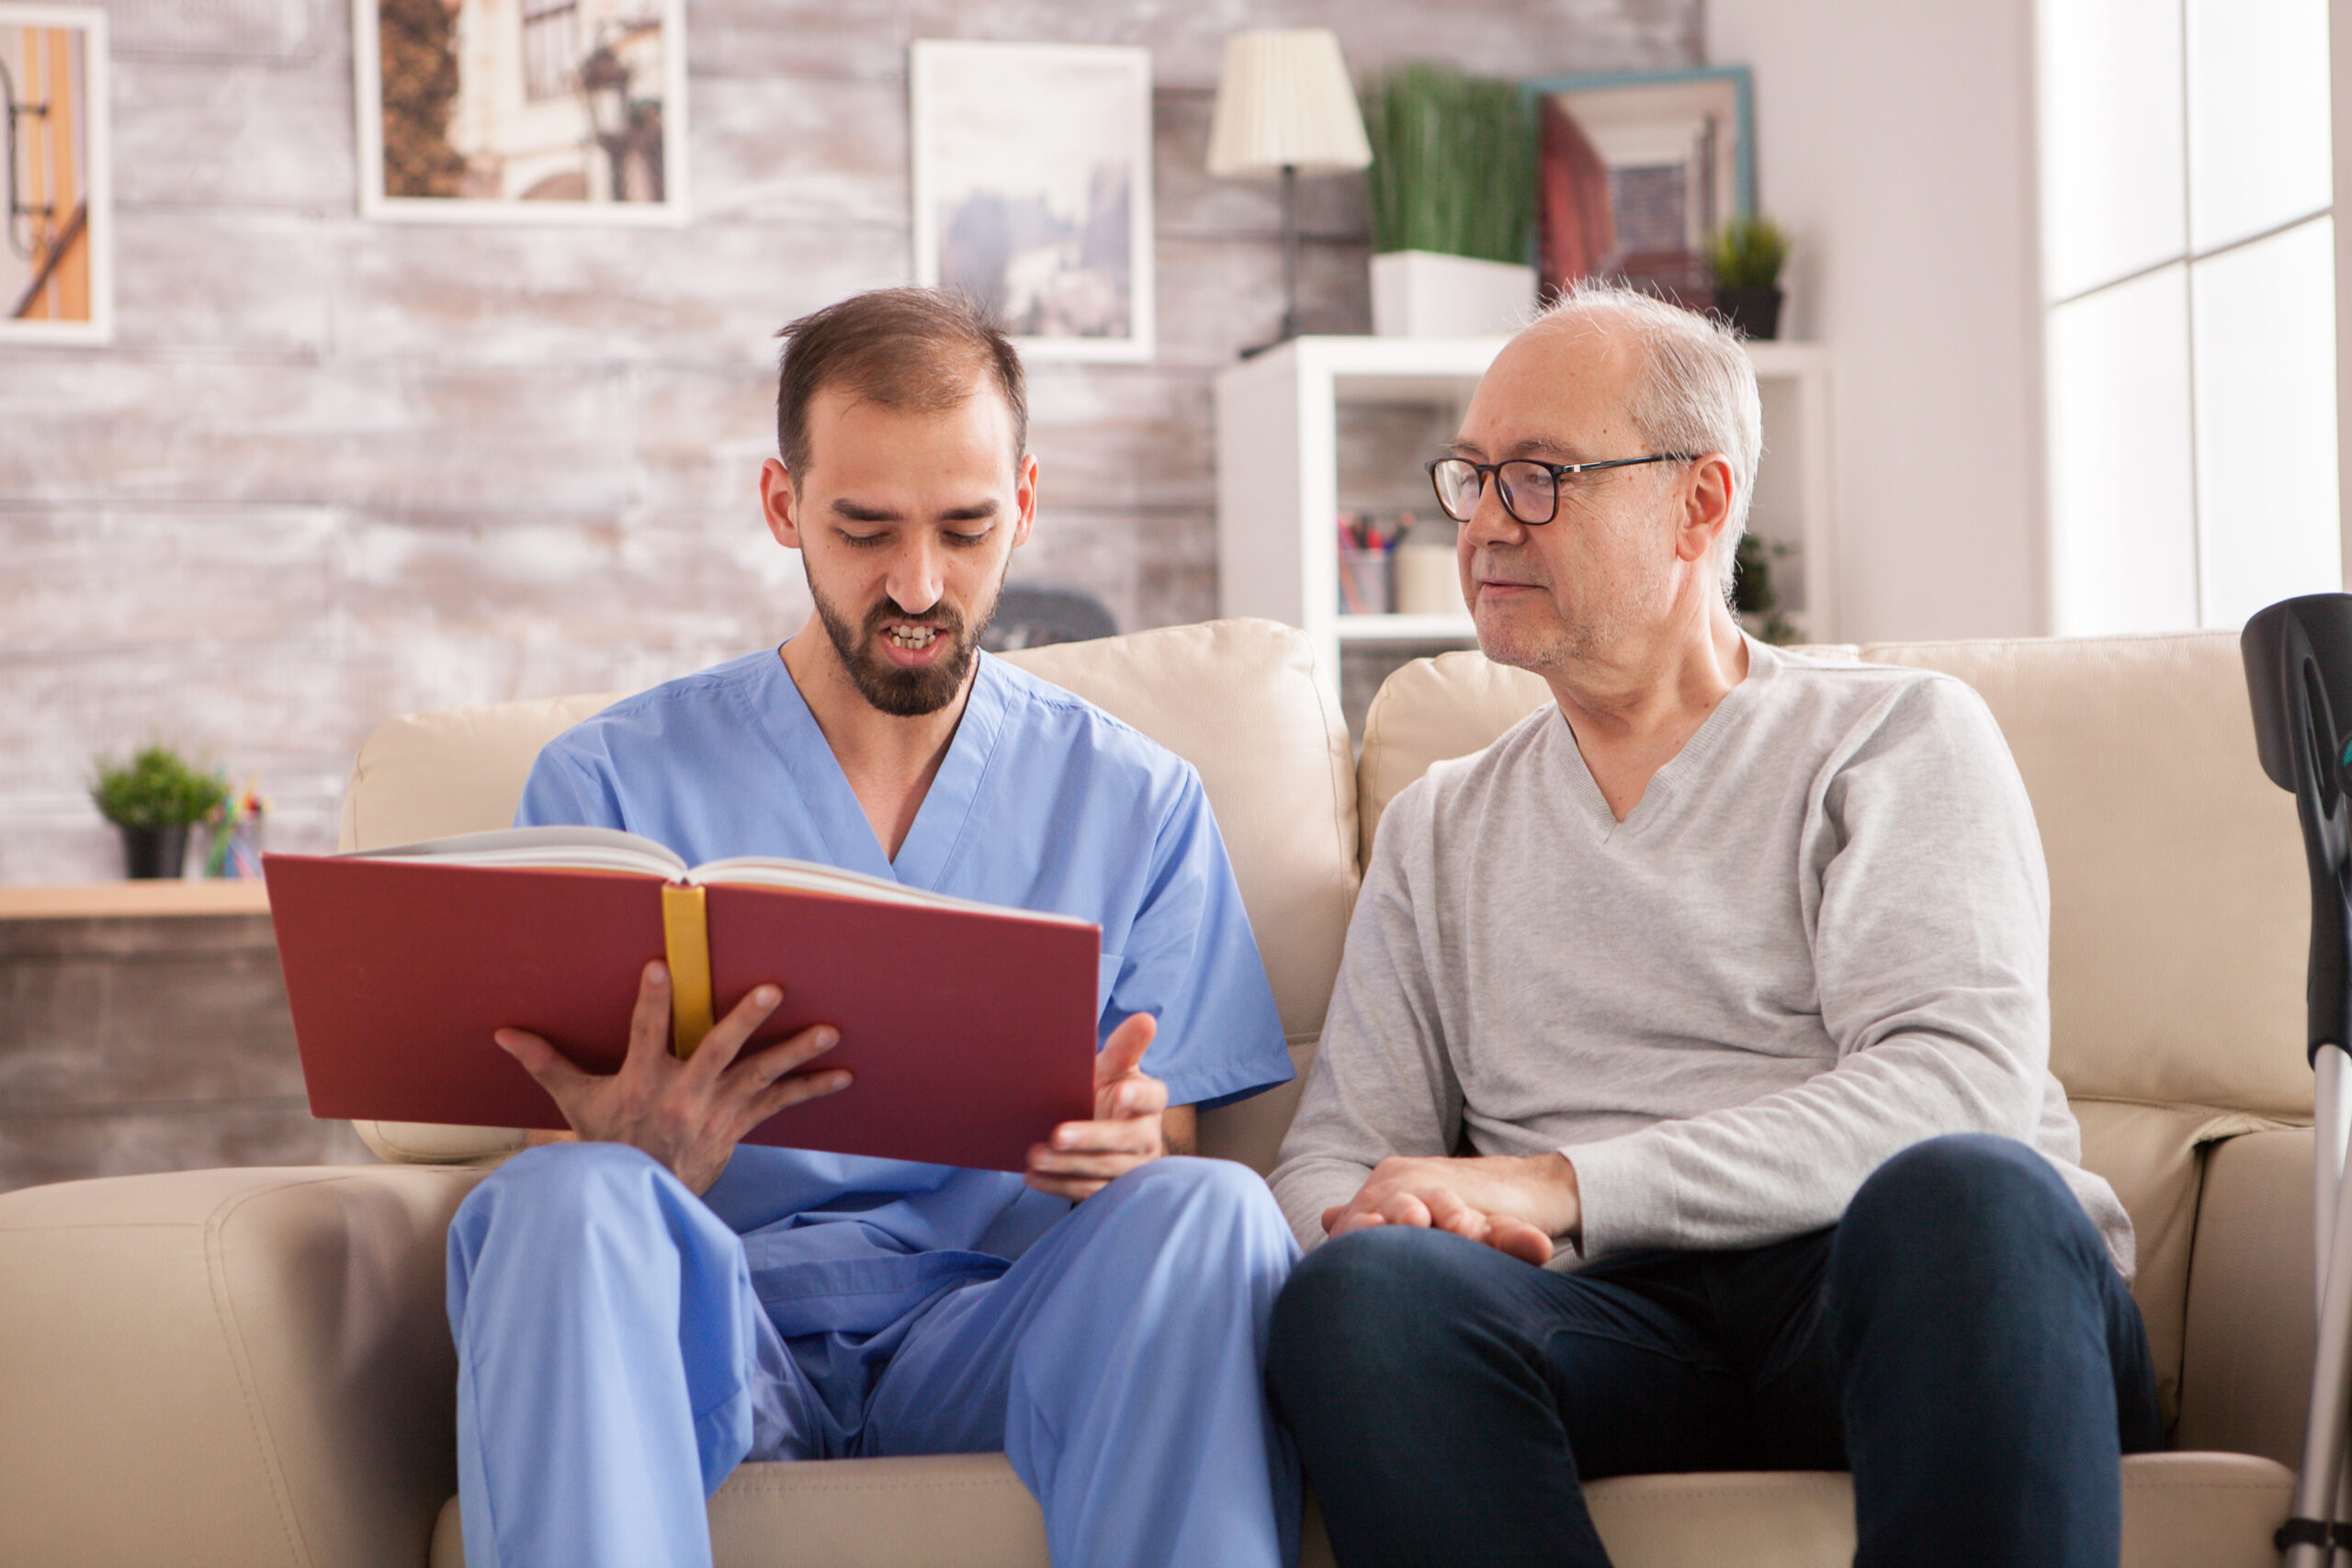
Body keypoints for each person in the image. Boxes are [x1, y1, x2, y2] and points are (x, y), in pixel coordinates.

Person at [1263, 282, 2162, 1568]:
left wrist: (1565, 1185)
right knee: (1359, 1299)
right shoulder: (1440, 827)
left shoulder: (1895, 737)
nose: (1482, 528)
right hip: (1610, 1332)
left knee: (1969, 1188)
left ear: (1700, 502)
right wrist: (1389, 1223)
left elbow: (1958, 1088)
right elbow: (1335, 1156)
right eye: (1471, 477)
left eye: (1539, 477)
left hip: (1905, 1293)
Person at [445, 288, 1301, 1568]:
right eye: (864, 530)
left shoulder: (1137, 799)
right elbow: (543, 1141)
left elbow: (1168, 1122)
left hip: (997, 1327)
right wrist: (635, 1159)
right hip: (707, 1317)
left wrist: (1124, 1139)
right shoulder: (606, 786)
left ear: (1023, 501)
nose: (918, 584)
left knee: (1217, 1211)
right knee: (563, 1203)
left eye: (963, 531)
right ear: (784, 507)